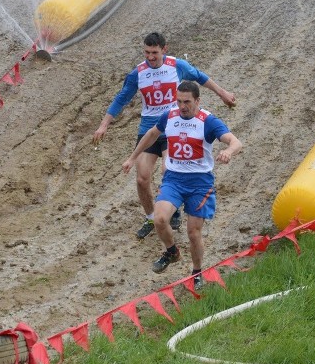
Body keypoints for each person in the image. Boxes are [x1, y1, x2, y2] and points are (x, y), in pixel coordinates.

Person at [93, 32, 236, 240]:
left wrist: (222, 93)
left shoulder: (176, 65)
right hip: (149, 128)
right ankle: (151, 217)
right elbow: (121, 98)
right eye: (147, 52)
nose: (150, 57)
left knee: (167, 168)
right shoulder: (138, 74)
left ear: (164, 50)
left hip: (173, 127)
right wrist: (103, 124)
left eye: (154, 53)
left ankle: (172, 207)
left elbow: (200, 77)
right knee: (142, 178)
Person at [122, 81, 242, 282]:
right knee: (159, 219)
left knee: (193, 233)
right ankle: (171, 252)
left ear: (197, 101)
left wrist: (228, 151)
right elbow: (151, 134)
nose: (182, 106)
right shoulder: (169, 116)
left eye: (187, 102)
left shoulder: (208, 121)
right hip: (174, 179)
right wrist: (133, 157)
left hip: (200, 183)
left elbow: (236, 141)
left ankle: (197, 273)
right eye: (179, 101)